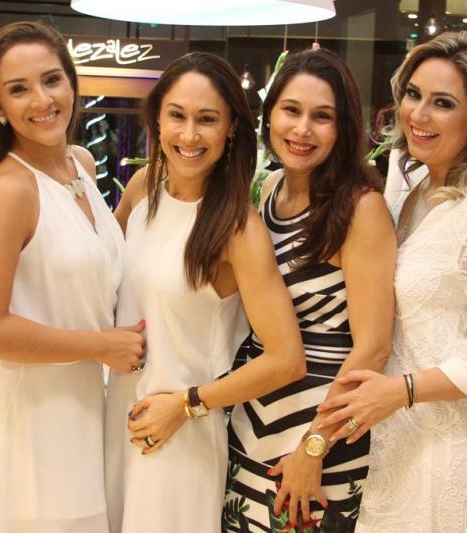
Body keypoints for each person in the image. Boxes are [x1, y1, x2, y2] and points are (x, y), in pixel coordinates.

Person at [317, 31, 467, 532]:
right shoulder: (409, 191)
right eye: (413, 95)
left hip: (458, 452)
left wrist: (403, 390)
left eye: (443, 103)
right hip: (399, 439)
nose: (418, 114)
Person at [0, 21, 144, 533]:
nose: (42, 100)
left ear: (72, 83)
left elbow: (89, 259)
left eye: (52, 80)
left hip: (83, 406)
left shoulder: (81, 164)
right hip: (33, 417)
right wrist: (101, 345)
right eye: (18, 89)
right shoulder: (11, 188)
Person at [103, 52, 305, 533]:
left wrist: (186, 405)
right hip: (117, 419)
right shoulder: (141, 190)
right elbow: (104, 286)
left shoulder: (238, 229)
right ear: (157, 119)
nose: (189, 135)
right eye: (177, 116)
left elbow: (286, 358)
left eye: (207, 120)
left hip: (179, 438)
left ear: (231, 127)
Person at [222, 49, 396, 533]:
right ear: (270, 114)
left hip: (321, 436)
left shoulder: (360, 208)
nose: (302, 129)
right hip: (252, 421)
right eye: (291, 110)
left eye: (322, 117)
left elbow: (373, 348)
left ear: (343, 128)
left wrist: (314, 447)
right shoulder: (266, 189)